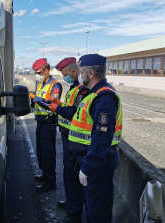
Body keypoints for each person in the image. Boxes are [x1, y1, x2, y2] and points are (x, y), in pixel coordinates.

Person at [68, 54, 123, 223]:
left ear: (91, 73)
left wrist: (88, 166)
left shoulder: (104, 97)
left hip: (99, 163)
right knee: (91, 207)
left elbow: (102, 137)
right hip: (92, 160)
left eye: (82, 72)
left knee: (98, 211)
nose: (80, 75)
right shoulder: (94, 93)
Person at [48, 57, 88, 223]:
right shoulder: (73, 88)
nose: (64, 77)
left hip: (74, 138)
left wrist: (59, 109)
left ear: (74, 71)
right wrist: (60, 104)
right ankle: (72, 203)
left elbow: (74, 112)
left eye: (65, 74)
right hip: (67, 136)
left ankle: (74, 212)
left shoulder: (81, 90)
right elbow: (70, 107)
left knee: (71, 175)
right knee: (68, 173)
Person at [29, 58, 63, 193]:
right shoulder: (41, 84)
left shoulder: (55, 86)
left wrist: (35, 98)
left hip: (48, 124)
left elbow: (51, 103)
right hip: (40, 122)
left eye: (38, 72)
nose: (37, 74)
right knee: (41, 152)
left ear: (46, 71)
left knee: (48, 153)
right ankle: (45, 174)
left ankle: (51, 181)